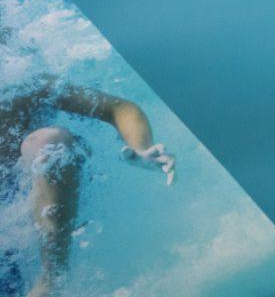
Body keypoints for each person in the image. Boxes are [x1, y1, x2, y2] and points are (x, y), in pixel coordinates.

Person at [0, 22, 176, 297]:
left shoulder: (23, 87)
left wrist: (142, 147)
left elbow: (118, 108)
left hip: (40, 196)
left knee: (49, 142)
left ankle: (51, 282)